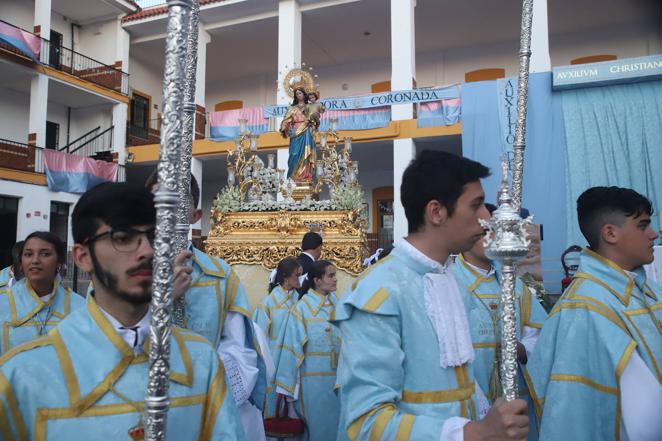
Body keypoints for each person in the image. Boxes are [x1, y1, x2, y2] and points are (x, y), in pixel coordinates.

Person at [0, 182, 245, 440]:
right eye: (123, 238)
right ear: (83, 257)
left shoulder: (201, 363)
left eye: (156, 238)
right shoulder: (22, 377)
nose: (148, 251)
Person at [332, 150, 529, 440]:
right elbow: (365, 423)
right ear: (436, 212)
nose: (487, 218)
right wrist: (472, 434)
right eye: (476, 206)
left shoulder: (449, 280)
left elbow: (456, 389)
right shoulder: (380, 292)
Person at [527, 186, 662, 441]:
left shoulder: (647, 289)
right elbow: (576, 412)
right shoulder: (585, 307)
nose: (654, 234)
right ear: (610, 233)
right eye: (643, 226)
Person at [146, 171, 266, 441]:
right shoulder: (121, 273)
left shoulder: (220, 275)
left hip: (208, 404)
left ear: (195, 216)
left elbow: (239, 349)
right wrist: (161, 299)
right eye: (156, 206)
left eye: (175, 207)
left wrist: (202, 388)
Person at [452, 203, 547, 440]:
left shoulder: (517, 287)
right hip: (467, 401)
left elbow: (542, 337)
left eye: (499, 231)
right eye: (486, 231)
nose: (494, 238)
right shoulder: (449, 285)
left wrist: (523, 349)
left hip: (515, 400)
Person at [275, 260, 341, 441]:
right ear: (317, 280)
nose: (335, 280)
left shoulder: (340, 307)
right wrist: (288, 388)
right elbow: (291, 349)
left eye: (335, 275)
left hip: (339, 383)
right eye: (331, 275)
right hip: (313, 386)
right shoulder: (302, 310)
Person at [0, 232, 84, 355]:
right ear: (20, 263)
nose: (35, 260)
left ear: (59, 262)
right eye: (28, 254)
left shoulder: (79, 308)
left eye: (45, 254)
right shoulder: (3, 303)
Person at [252, 257, 302, 422]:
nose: (300, 279)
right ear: (286, 277)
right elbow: (259, 339)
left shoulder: (302, 302)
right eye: (297, 275)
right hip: (272, 361)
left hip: (295, 359)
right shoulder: (267, 304)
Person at [280, 87, 317, 183]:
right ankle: (293, 177)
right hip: (295, 132)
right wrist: (285, 127)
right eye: (297, 94)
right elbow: (286, 120)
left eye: (300, 93)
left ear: (304, 94)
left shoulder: (310, 106)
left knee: (306, 154)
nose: (298, 95)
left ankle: (305, 177)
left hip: (307, 132)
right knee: (294, 154)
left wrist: (312, 120)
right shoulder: (292, 108)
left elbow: (316, 120)